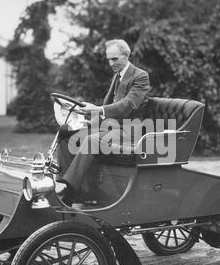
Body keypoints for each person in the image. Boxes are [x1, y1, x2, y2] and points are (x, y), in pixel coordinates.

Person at [57, 39, 150, 204]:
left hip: (129, 131)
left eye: (115, 59)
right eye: (108, 59)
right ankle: (66, 185)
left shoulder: (140, 76)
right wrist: (89, 118)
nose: (111, 63)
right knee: (67, 135)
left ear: (126, 55)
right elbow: (107, 107)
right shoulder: (117, 77)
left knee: (93, 140)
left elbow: (128, 105)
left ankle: (69, 191)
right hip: (111, 128)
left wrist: (99, 109)